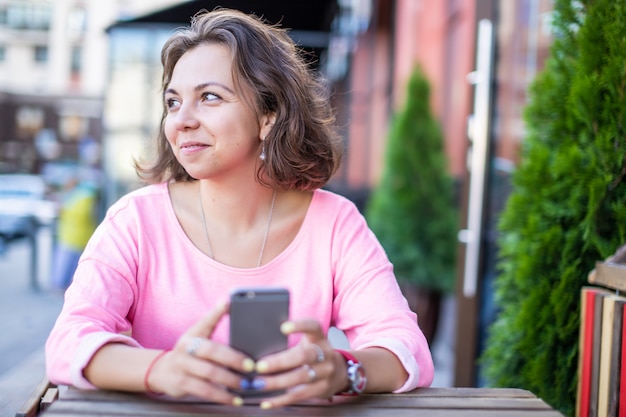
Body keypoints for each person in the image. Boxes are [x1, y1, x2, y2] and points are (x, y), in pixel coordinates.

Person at [45, 8, 434, 409]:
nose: (182, 120)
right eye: (173, 102)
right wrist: (160, 369)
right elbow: (68, 341)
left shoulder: (334, 223)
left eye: (209, 97)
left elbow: (407, 351)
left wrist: (343, 370)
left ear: (269, 115)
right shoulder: (135, 221)